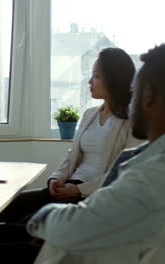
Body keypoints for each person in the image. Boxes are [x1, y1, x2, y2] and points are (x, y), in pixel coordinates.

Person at [27, 44, 165, 264]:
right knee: (5, 214)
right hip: (72, 197)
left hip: (81, 204)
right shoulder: (147, 159)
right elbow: (72, 155)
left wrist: (56, 207)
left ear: (148, 96)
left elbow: (78, 224)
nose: (132, 97)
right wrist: (56, 179)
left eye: (135, 89)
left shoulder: (149, 174)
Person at [0, 48, 144, 225]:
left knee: (28, 224)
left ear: (113, 79)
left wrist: (77, 190)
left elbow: (121, 173)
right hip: (68, 186)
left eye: (96, 76)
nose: (90, 81)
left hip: (90, 194)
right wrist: (55, 179)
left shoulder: (132, 121)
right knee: (2, 210)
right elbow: (71, 155)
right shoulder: (90, 114)